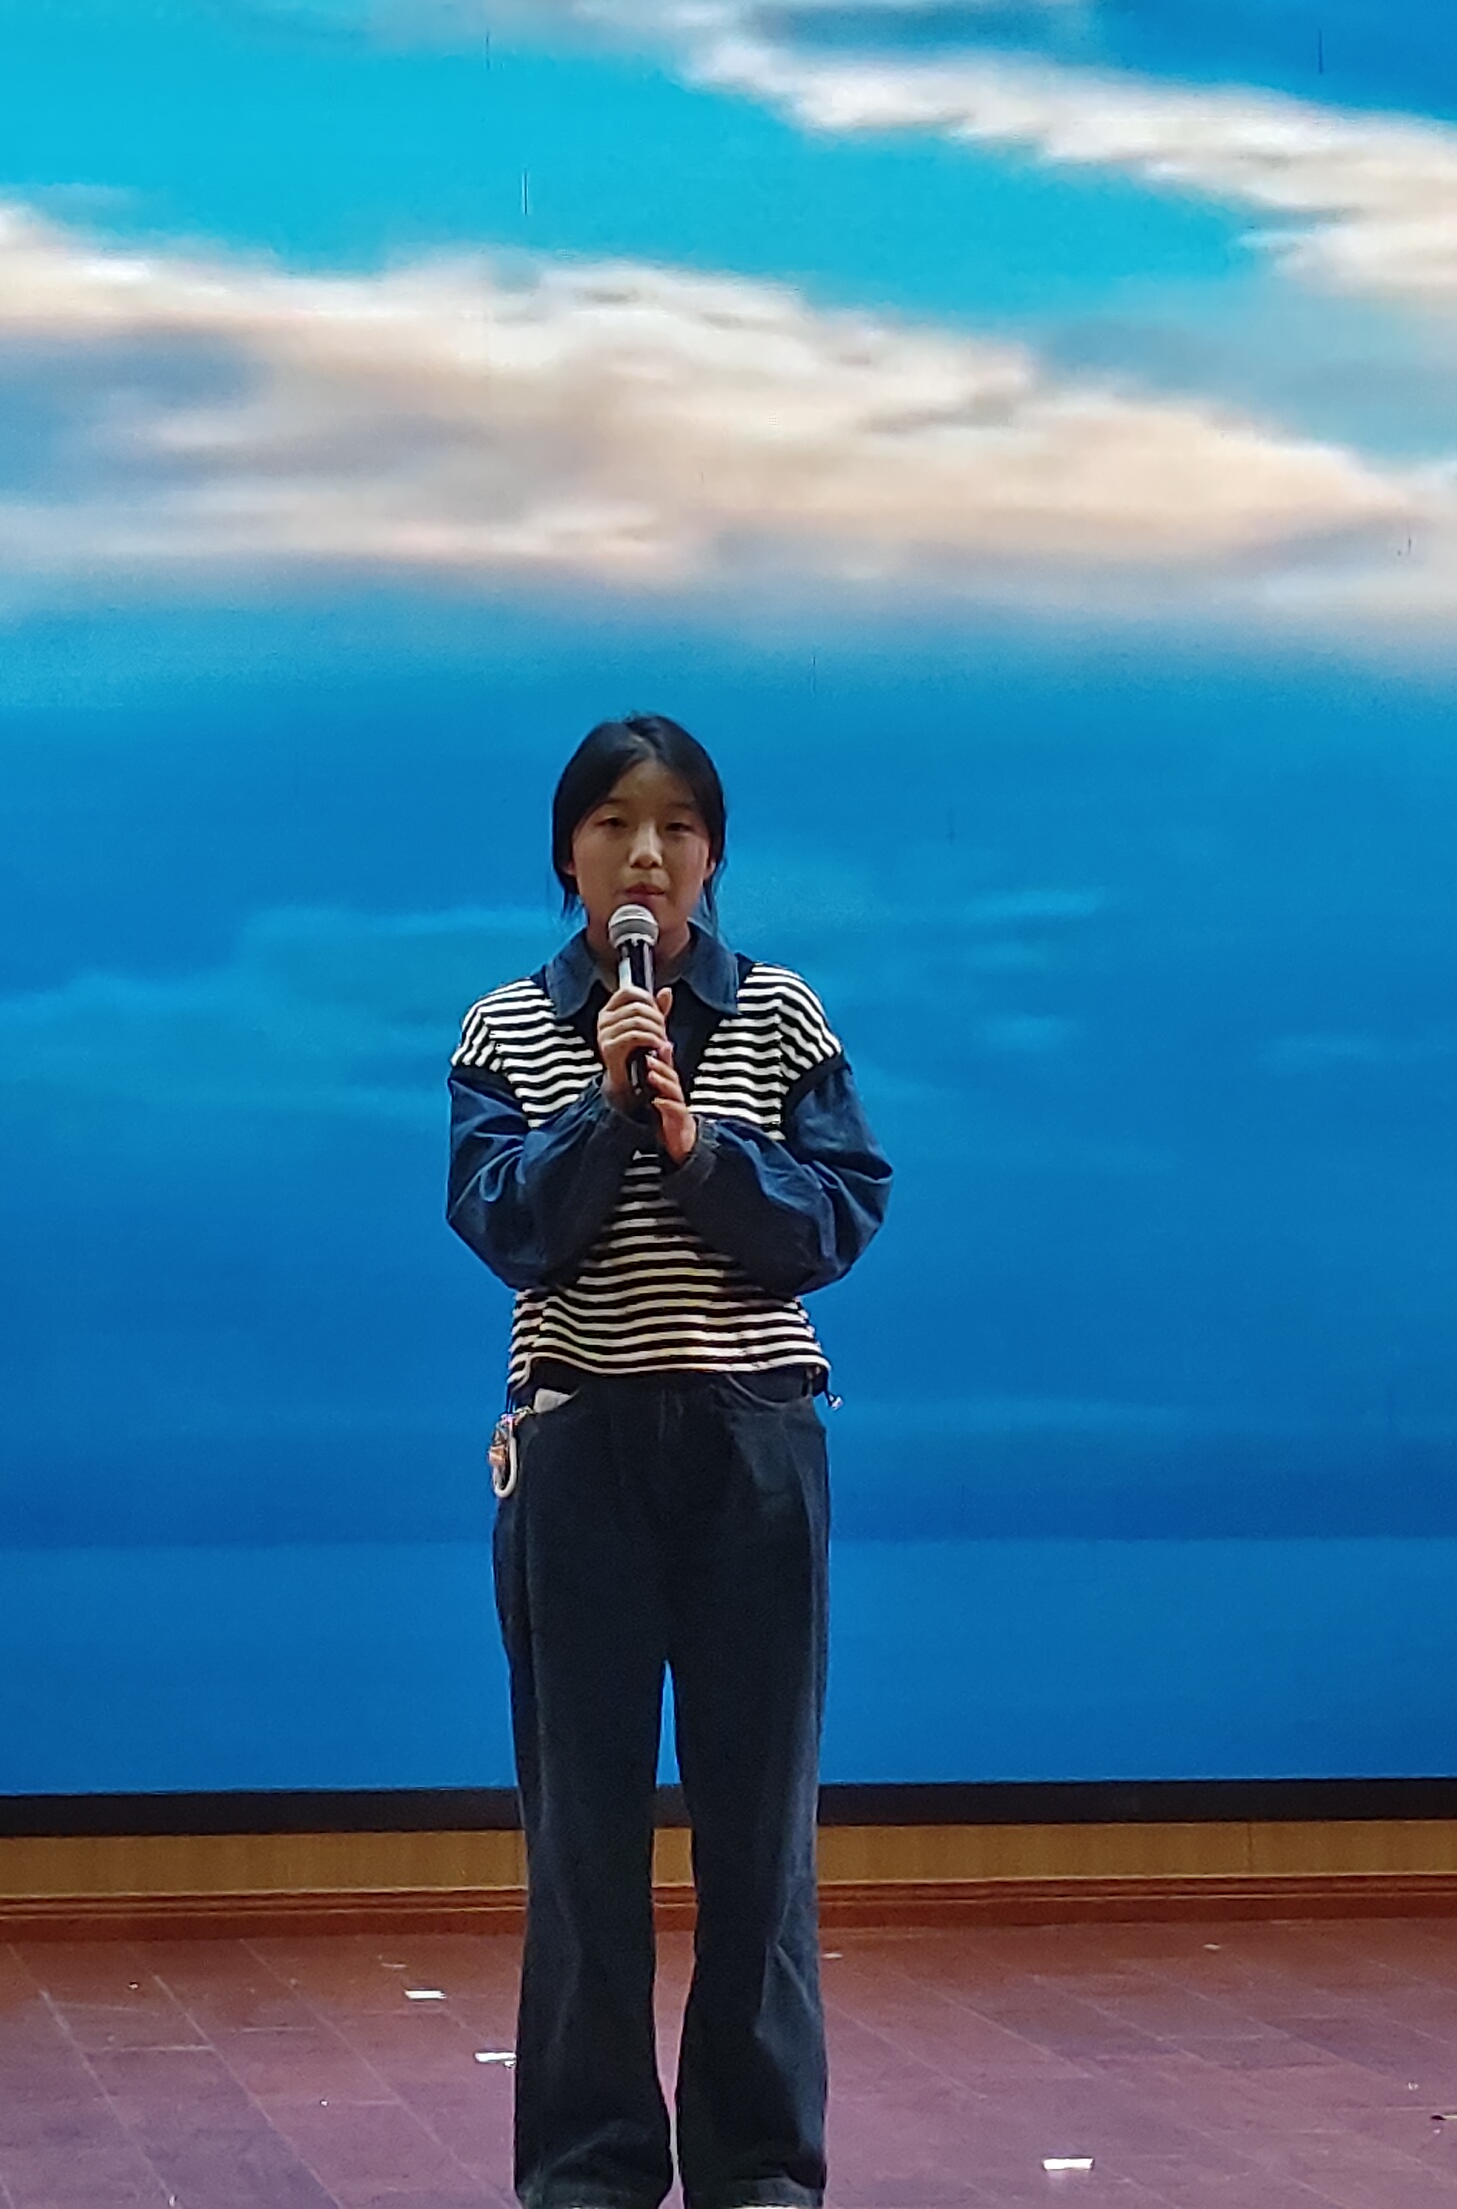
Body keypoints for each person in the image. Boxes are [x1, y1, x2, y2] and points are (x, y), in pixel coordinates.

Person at [446, 713, 894, 2209]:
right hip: (579, 1450)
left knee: (760, 1842)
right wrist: (601, 1103)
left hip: (751, 1445)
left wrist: (700, 1147)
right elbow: (511, 1226)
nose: (647, 854)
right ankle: (589, 2172)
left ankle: (760, 2173)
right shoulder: (506, 1027)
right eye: (614, 825)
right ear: (566, 855)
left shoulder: (783, 1015)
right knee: (584, 1844)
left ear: (714, 857)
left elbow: (831, 1223)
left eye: (679, 826)